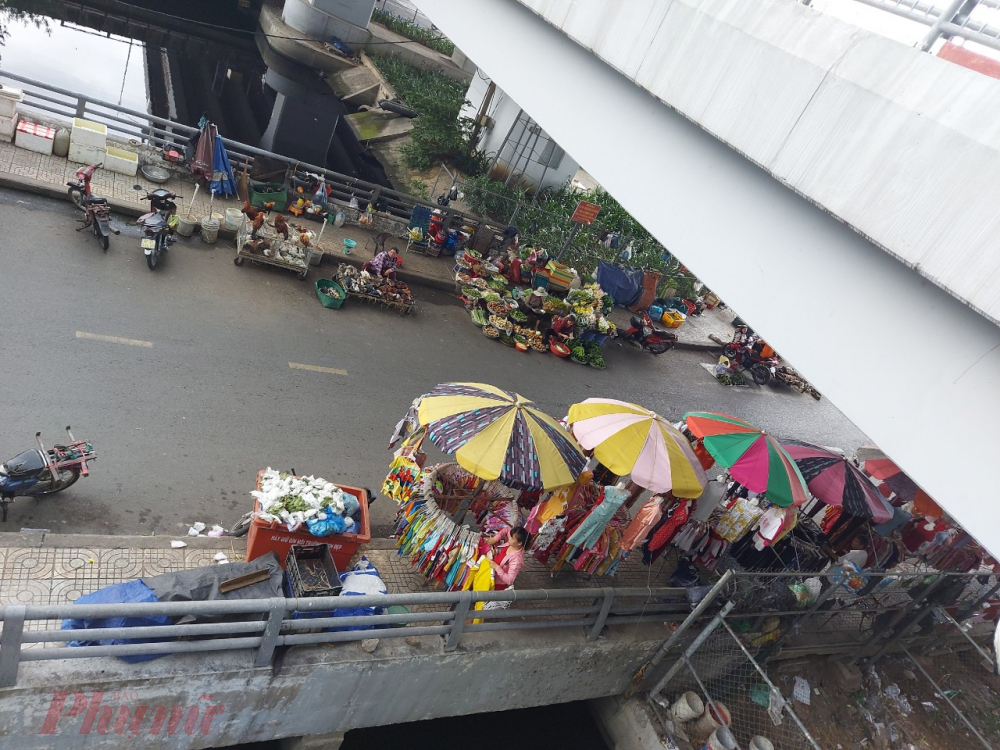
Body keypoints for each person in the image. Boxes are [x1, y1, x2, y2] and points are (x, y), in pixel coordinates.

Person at [487, 527, 528, 592]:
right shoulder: (513, 543)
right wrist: (495, 538)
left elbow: (509, 580)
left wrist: (496, 567)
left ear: (519, 543)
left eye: (512, 538)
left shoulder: (517, 560)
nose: (509, 538)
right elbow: (507, 529)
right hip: (491, 570)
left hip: (495, 582)